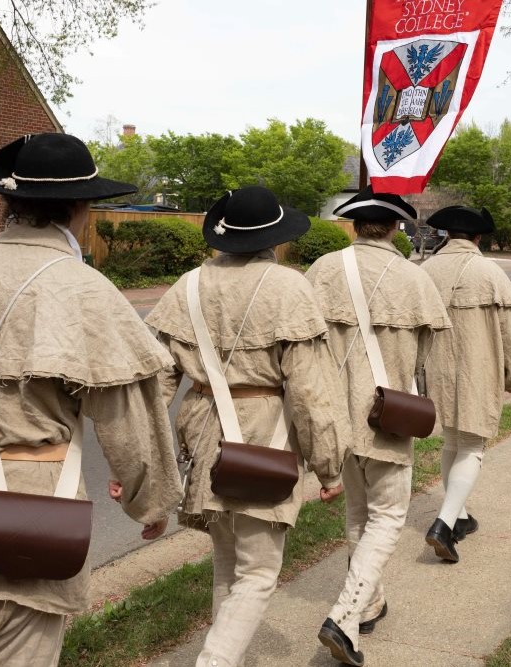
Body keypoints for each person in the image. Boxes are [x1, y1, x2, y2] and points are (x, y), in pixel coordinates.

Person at [0, 133, 182, 666]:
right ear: (80, 209)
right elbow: (129, 421)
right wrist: (151, 501)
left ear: (9, 203)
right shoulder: (83, 288)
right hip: (31, 513)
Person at [145, 185, 350, 667]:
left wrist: (150, 456)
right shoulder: (289, 287)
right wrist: (329, 466)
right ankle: (214, 662)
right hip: (265, 433)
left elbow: (158, 382)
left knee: (226, 562)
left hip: (202, 429)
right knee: (258, 572)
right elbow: (310, 392)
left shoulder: (188, 285)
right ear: (275, 238)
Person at [306, 185, 450, 667]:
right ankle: (344, 617)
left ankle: (367, 604)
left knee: (358, 515)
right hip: (387, 414)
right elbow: (425, 353)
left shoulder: (322, 270)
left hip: (335, 413)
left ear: (353, 224)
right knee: (388, 516)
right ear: (396, 228)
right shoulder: (413, 278)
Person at [419, 206, 511, 563]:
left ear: (446, 235)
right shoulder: (489, 271)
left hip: (434, 369)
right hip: (476, 371)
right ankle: (443, 524)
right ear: (478, 237)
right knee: (472, 446)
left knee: (452, 440)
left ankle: (461, 518)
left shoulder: (425, 271)